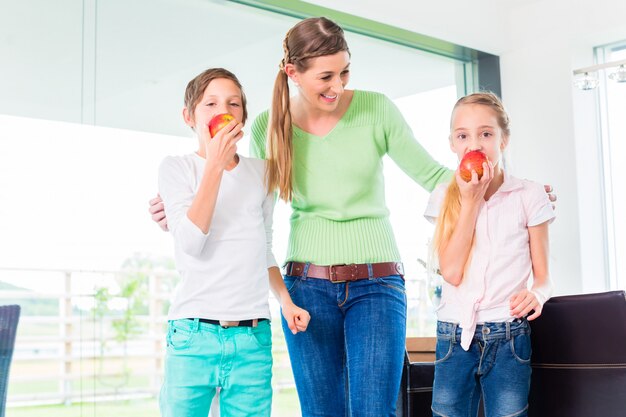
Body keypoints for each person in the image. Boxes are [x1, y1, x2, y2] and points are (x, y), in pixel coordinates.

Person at [148, 17, 557, 417]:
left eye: (344, 72)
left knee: (373, 410)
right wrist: (177, 210)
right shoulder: (269, 126)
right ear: (294, 72)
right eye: (325, 77)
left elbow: (434, 177)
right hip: (305, 287)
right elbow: (246, 201)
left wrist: (514, 192)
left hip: (377, 285)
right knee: (320, 411)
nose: (338, 86)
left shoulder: (376, 109)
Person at [157, 67, 310, 417]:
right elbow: (191, 241)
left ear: (242, 116)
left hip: (252, 338)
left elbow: (264, 246)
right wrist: (214, 163)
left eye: (233, 104)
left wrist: (285, 301)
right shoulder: (176, 169)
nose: (222, 110)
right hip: (193, 335)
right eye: (210, 103)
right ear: (189, 116)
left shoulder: (263, 172)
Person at [424, 92, 554, 417]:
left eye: (486, 133)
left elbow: (544, 279)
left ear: (503, 140)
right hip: (453, 335)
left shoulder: (529, 195)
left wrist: (537, 294)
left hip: (508, 333)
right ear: (452, 143)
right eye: (463, 135)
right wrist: (471, 201)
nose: (475, 145)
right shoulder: (443, 197)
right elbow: (451, 272)